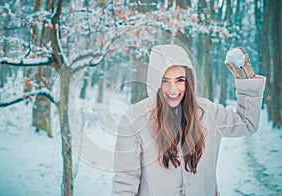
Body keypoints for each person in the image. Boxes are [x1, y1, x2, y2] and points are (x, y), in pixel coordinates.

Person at [112, 44, 266, 196]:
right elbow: (125, 182)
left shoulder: (207, 112)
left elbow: (247, 123)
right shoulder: (135, 120)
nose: (173, 89)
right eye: (165, 81)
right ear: (154, 82)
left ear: (189, 80)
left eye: (180, 80)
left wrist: (247, 81)